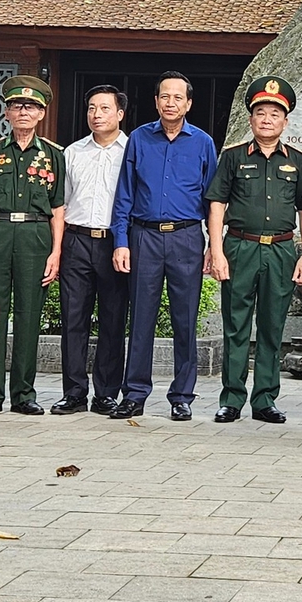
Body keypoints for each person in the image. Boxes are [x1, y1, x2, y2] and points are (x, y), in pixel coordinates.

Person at [111, 71, 217, 421]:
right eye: (164, 97)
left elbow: (212, 198)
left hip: (186, 236)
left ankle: (182, 395)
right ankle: (135, 393)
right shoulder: (139, 139)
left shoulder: (202, 143)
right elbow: (124, 194)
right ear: (156, 101)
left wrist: (211, 245)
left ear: (188, 103)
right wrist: (122, 241)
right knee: (141, 317)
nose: (170, 103)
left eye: (178, 98)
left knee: (184, 318)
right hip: (145, 237)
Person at [206, 76, 302, 425]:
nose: (267, 120)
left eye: (275, 114)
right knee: (236, 325)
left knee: (271, 326)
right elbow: (217, 203)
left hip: (281, 251)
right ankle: (231, 399)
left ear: (285, 121)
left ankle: (265, 399)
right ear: (251, 119)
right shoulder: (234, 158)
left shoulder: (297, 161)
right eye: (261, 113)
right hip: (240, 247)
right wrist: (216, 250)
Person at [0, 76, 65, 417]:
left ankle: (24, 393)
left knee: (28, 316)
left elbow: (57, 209)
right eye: (17, 106)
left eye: (32, 107)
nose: (24, 112)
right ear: (6, 112)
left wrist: (56, 252)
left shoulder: (54, 155)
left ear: (41, 114)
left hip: (35, 238)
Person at [58, 84, 130, 415]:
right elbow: (61, 202)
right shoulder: (72, 152)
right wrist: (58, 249)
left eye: (103, 109)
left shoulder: (131, 151)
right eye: (90, 108)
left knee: (113, 320)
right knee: (74, 318)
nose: (96, 115)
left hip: (114, 243)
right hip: (76, 240)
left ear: (119, 114)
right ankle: (73, 391)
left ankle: (106, 392)